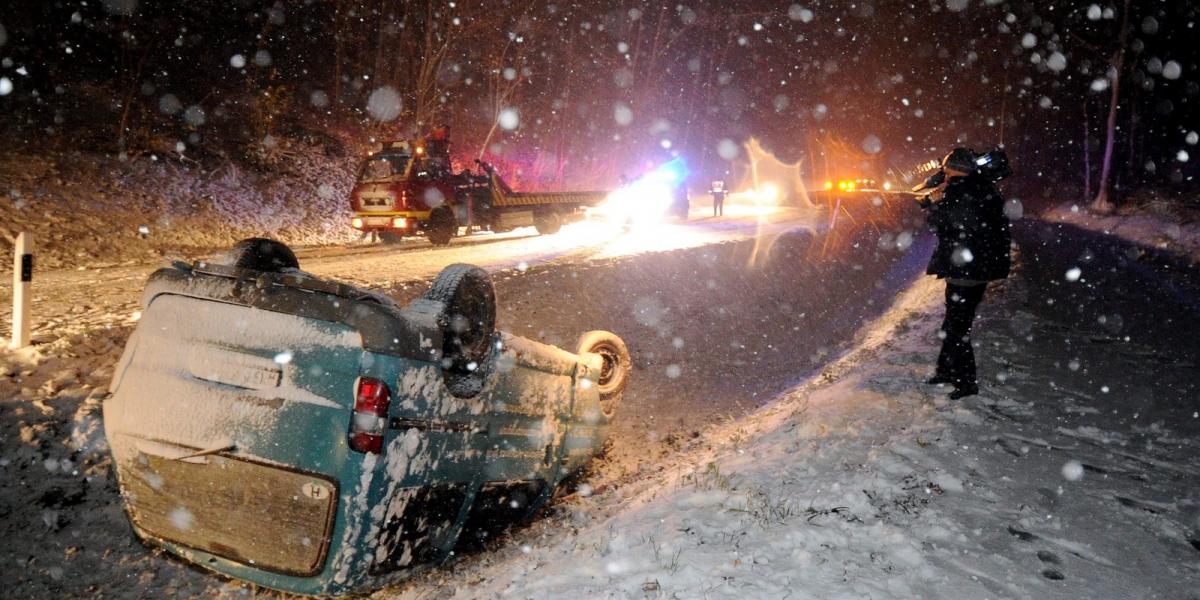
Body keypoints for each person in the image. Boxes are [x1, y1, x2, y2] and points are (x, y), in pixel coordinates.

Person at [917, 147, 1011, 399]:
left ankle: (966, 382)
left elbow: (942, 225)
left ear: (952, 169)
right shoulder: (982, 187)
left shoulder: (961, 191)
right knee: (953, 322)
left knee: (958, 328)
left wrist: (936, 204)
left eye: (946, 170)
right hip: (977, 266)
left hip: (966, 269)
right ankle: (946, 370)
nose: (943, 175)